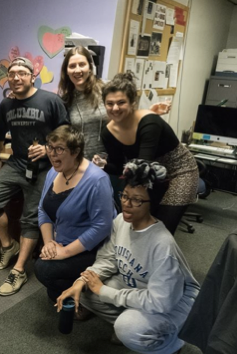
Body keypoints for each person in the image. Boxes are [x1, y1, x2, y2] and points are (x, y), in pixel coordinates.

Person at [56, 159, 200, 354]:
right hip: (140, 287)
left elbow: (161, 301)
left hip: (173, 304)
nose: (126, 204)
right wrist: (81, 281)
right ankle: (133, 325)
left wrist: (107, 292)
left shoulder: (162, 244)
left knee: (128, 328)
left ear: (152, 203)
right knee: (86, 291)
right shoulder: (121, 222)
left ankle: (170, 345)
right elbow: (108, 259)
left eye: (137, 200)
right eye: (124, 196)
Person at [0, 57, 69, 296]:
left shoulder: (51, 100)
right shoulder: (6, 104)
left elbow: (67, 133)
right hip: (17, 164)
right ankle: (8, 246)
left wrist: (49, 149)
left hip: (44, 168)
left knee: (30, 218)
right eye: (12, 73)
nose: (16, 77)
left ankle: (19, 269)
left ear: (32, 76)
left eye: (22, 73)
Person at [97, 72, 198, 234]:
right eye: (110, 103)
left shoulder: (149, 122)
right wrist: (102, 165)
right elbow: (118, 166)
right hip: (149, 173)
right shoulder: (108, 133)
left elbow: (143, 168)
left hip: (179, 172)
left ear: (132, 103)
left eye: (121, 102)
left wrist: (130, 202)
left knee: (161, 229)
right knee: (136, 223)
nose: (115, 108)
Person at [34, 125, 114, 302]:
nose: (52, 153)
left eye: (59, 149)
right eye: (50, 147)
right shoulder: (53, 172)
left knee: (43, 269)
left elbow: (102, 226)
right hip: (62, 241)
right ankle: (74, 291)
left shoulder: (96, 180)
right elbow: (43, 209)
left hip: (92, 248)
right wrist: (48, 244)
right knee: (47, 270)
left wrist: (65, 253)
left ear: (76, 151)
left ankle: (86, 296)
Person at [58, 46, 171, 161]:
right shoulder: (65, 101)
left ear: (90, 67)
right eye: (72, 66)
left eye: (82, 64)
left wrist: (149, 112)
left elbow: (125, 114)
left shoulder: (105, 89)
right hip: (83, 162)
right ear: (66, 71)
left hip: (114, 160)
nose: (77, 70)